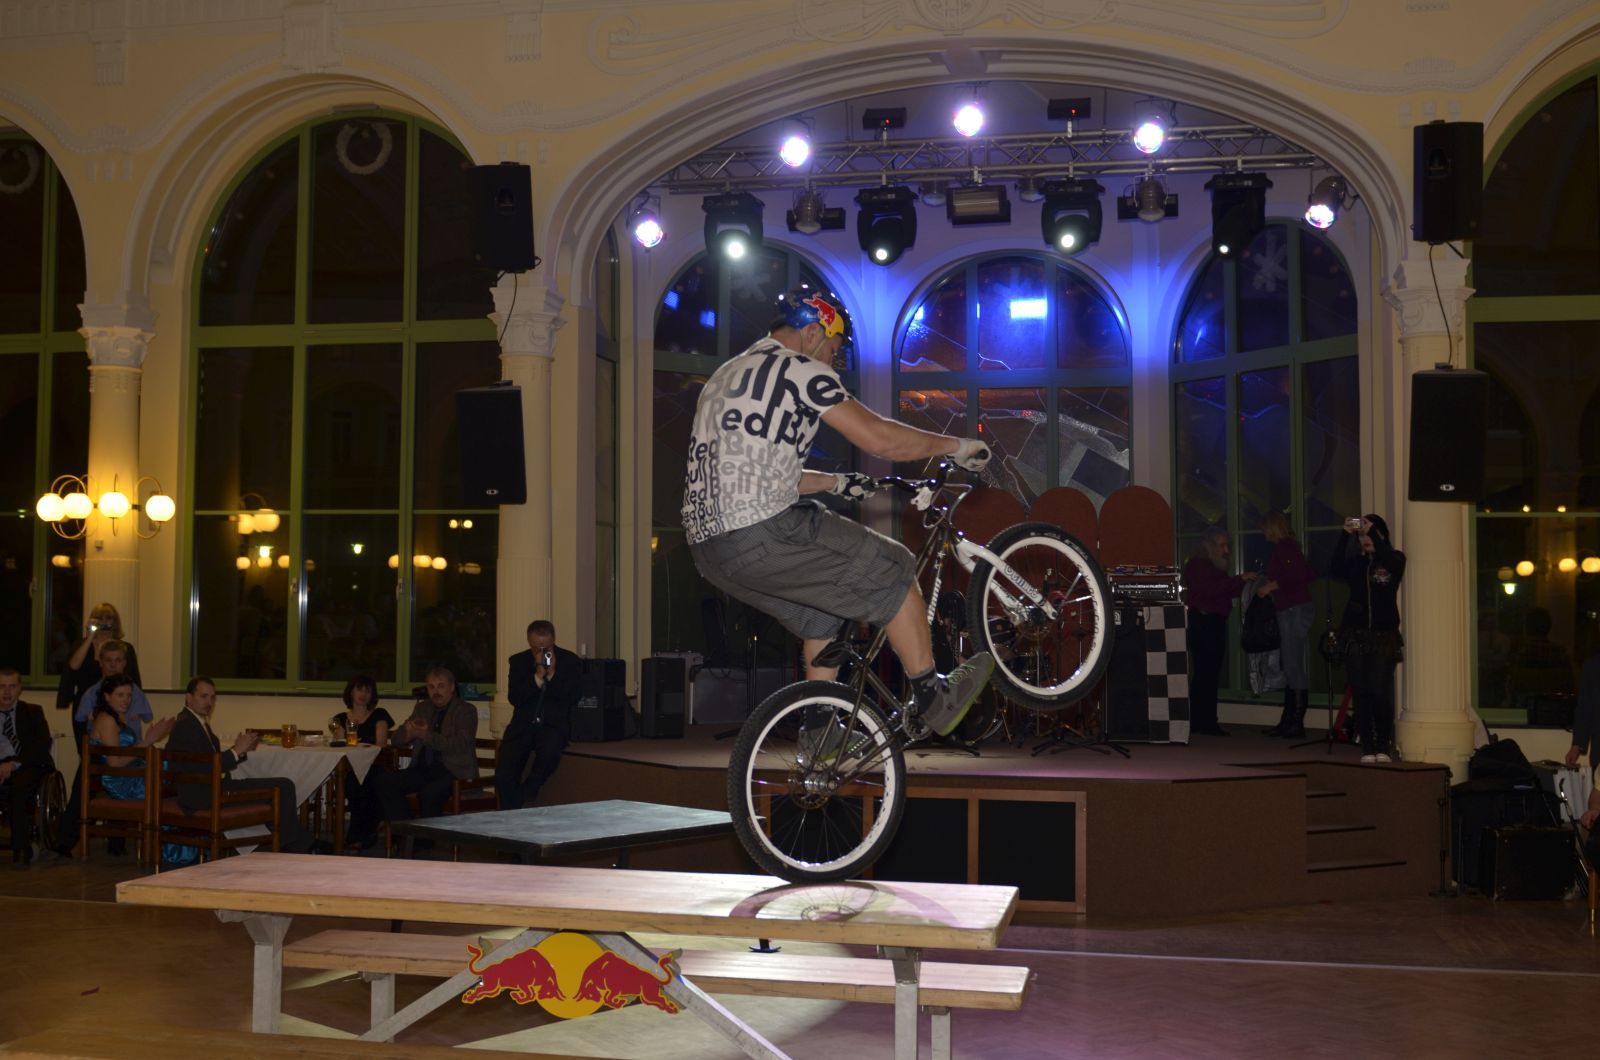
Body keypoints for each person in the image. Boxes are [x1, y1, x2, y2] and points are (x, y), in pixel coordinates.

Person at [681, 285, 995, 738]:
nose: (832, 361)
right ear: (812, 333)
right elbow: (878, 438)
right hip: (763, 531)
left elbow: (753, 472)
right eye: (833, 349)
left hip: (710, 550)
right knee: (895, 565)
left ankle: (820, 731)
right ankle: (934, 697)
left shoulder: (724, 376)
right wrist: (955, 445)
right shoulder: (800, 368)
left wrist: (837, 483)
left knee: (822, 613)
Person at [164, 676, 323, 853]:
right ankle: (298, 846)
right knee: (283, 787)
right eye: (204, 696)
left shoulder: (193, 721)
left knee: (281, 787)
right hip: (204, 794)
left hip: (212, 787)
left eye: (213, 697)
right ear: (188, 697)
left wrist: (239, 750)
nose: (209, 702)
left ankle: (299, 844)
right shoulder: (187, 726)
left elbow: (207, 761)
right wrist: (235, 751)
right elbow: (205, 767)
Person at [357, 666, 478, 853]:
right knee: (384, 780)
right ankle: (407, 836)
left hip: (453, 770)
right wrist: (408, 734)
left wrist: (425, 735)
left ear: (452, 687)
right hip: (424, 768)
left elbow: (460, 744)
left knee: (429, 793)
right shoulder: (423, 707)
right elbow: (396, 739)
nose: (435, 692)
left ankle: (424, 844)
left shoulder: (466, 710)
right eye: (431, 687)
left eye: (441, 686)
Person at [54, 639, 153, 857]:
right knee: (82, 788)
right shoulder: (92, 692)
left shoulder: (134, 691)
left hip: (129, 753)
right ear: (100, 663)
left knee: (142, 777)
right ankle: (66, 842)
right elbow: (81, 719)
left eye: (118, 661)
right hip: (101, 753)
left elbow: (147, 715)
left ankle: (118, 844)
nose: (113, 665)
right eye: (108, 661)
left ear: (124, 663)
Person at [1331, 514, 1406, 763]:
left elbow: (1391, 563)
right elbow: (1334, 568)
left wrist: (1374, 532)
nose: (1365, 539)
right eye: (1361, 535)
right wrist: (1345, 534)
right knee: (1361, 690)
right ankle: (1367, 746)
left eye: (1370, 534)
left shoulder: (1395, 559)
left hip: (1383, 636)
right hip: (1355, 634)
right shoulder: (1356, 563)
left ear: (1381, 535)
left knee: (1379, 690)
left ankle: (1383, 743)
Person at [496, 620, 581, 811]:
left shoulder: (570, 661)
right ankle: (509, 814)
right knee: (505, 772)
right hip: (523, 726)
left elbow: (573, 696)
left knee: (549, 754)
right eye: (537, 648)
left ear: (553, 640)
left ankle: (527, 791)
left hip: (552, 726)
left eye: (547, 648)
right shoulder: (518, 661)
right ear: (529, 642)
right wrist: (537, 677)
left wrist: (552, 675)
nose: (542, 652)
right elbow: (515, 698)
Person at [1181, 528, 1258, 736]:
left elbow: (1222, 589)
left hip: (1212, 622)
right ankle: (1203, 721)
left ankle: (1203, 721)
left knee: (1209, 673)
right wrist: (1239, 580)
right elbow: (1211, 589)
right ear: (1209, 545)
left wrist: (1245, 583)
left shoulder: (1211, 566)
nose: (1226, 550)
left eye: (1227, 546)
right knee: (1205, 673)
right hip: (1204, 622)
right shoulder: (1198, 565)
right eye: (1222, 546)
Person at [1258, 512, 1315, 738]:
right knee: (1291, 664)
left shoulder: (1285, 547)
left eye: (1265, 528)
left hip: (1293, 609)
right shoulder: (1289, 547)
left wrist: (1270, 587)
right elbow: (1305, 573)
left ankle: (1296, 722)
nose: (1263, 533)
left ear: (1272, 528)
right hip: (1293, 608)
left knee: (1292, 665)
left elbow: (1298, 575)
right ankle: (1289, 720)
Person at [88, 673, 175, 804]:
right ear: (107, 696)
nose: (126, 700)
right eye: (120, 695)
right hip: (121, 781)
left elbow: (126, 750)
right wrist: (147, 741)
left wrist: (151, 739)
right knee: (172, 769)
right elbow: (115, 763)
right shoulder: (107, 720)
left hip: (130, 773)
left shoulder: (117, 716)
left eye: (129, 695)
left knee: (171, 765)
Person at [57, 603, 142, 736]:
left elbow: (133, 679)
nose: (104, 622)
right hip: (86, 704)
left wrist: (135, 707)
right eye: (99, 618)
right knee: (85, 744)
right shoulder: (82, 645)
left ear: (115, 621)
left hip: (117, 703)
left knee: (118, 743)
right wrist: (90, 636)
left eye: (108, 618)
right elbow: (73, 666)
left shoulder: (125, 648)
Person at [0, 667, 54, 868]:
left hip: (27, 764)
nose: (7, 692)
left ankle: (21, 849)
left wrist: (13, 764)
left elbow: (42, 745)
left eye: (12, 686)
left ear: (20, 689)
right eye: (2, 687)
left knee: (19, 789)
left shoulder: (32, 712)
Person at [329, 676, 392, 847]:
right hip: (351, 767)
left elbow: (380, 746)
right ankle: (365, 833)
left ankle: (359, 835)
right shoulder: (340, 718)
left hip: (376, 765)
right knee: (353, 781)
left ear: (372, 695)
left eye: (368, 691)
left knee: (366, 780)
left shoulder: (380, 715)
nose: (363, 694)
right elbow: (340, 747)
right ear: (351, 692)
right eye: (359, 689)